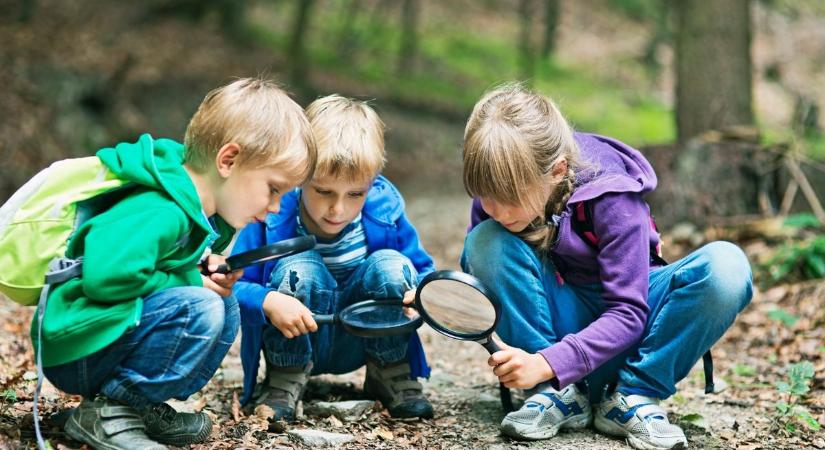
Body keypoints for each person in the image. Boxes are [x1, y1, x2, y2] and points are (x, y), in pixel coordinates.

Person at [459, 83, 753, 449]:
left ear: (557, 170)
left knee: (727, 266)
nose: (496, 210)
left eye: (509, 199)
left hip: (631, 339)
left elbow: (629, 313)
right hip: (553, 343)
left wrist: (550, 362)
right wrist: (440, 298)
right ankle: (556, 396)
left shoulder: (612, 197)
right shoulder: (497, 204)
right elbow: (489, 280)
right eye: (485, 196)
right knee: (485, 240)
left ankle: (633, 397)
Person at [35, 78, 316, 450]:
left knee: (222, 304)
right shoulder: (161, 208)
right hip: (76, 347)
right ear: (228, 160)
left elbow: (161, 267)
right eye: (273, 188)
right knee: (202, 306)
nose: (276, 207)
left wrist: (199, 270)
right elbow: (107, 278)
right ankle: (109, 411)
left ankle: (133, 406)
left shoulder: (190, 211)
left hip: (100, 340)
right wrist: (190, 283)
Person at [233, 95, 436, 422]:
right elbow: (234, 287)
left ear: (371, 184)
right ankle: (285, 377)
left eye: (355, 194)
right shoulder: (272, 215)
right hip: (297, 334)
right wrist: (268, 300)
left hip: (363, 336)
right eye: (323, 191)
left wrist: (422, 294)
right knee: (300, 266)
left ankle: (389, 370)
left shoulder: (384, 212)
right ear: (300, 177)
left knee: (391, 264)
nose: (338, 209)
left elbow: (424, 271)